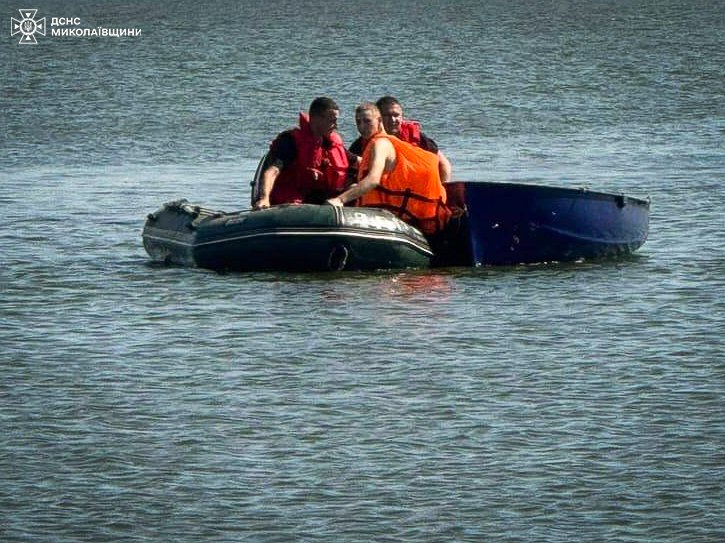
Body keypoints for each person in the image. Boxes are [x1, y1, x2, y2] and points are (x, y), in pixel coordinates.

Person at [327, 102, 451, 235]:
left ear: (379, 121)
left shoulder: (381, 144)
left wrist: (340, 200)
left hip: (413, 217)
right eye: (358, 122)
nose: (362, 127)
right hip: (394, 213)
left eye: (367, 121)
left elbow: (373, 179)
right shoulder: (373, 144)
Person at [253, 97, 349, 210]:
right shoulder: (290, 142)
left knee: (352, 187)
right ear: (316, 119)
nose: (336, 125)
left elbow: (352, 159)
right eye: (332, 121)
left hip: (313, 197)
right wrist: (264, 198)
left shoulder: (328, 143)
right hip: (289, 201)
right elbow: (272, 171)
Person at [347, 95, 452, 184]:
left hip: (417, 191)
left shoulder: (416, 137)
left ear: (402, 117)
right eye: (387, 115)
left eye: (396, 115)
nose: (393, 120)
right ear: (378, 118)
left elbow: (443, 164)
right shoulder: (361, 145)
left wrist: (443, 188)